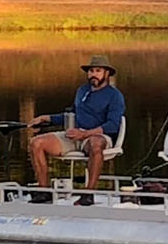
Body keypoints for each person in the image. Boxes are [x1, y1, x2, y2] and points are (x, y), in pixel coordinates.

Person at [25, 55, 126, 206]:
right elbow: (71, 115)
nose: (93, 74)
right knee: (36, 143)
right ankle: (44, 191)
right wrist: (46, 118)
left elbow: (113, 125)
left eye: (98, 71)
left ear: (107, 74)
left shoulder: (114, 96)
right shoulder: (82, 91)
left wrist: (85, 134)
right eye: (91, 71)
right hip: (74, 135)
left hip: (99, 136)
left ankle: (88, 194)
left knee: (95, 144)